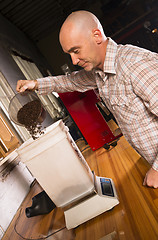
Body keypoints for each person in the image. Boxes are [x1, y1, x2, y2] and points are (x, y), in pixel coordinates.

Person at [16, 10, 158, 188]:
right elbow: (70, 81)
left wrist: (157, 170)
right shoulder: (99, 72)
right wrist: (35, 84)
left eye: (76, 51)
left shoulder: (134, 64)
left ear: (96, 36)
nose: (74, 60)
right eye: (69, 54)